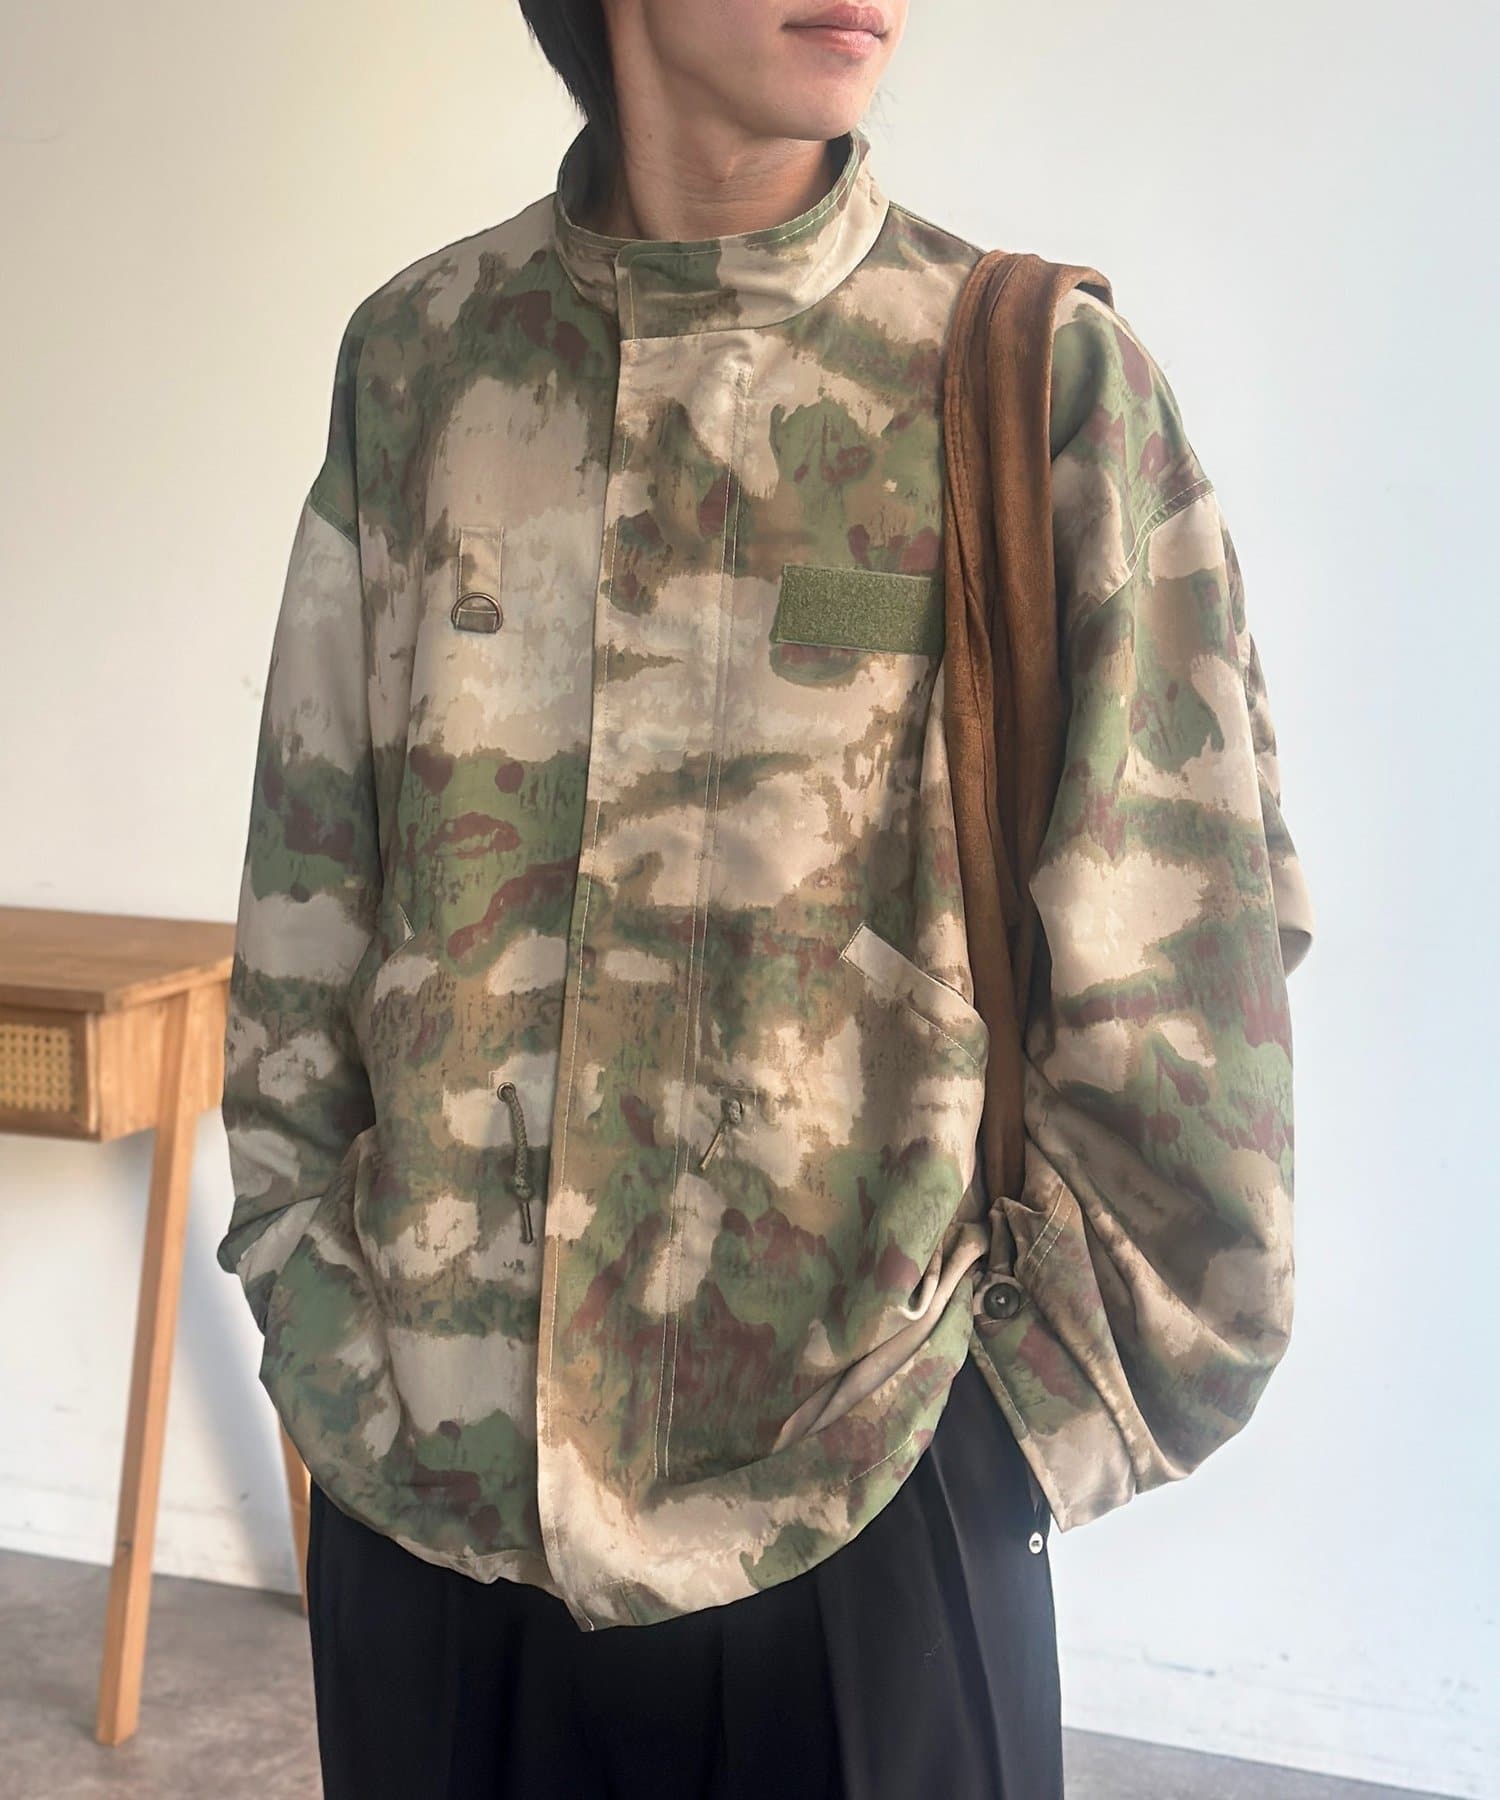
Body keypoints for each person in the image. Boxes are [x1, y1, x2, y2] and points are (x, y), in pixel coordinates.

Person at [217, 2, 1312, 1796]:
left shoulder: (1032, 384)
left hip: (867, 1506)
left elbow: (1195, 975)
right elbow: (309, 896)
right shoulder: (421, 363)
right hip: (429, 1494)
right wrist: (318, 1307)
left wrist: (997, 1437)